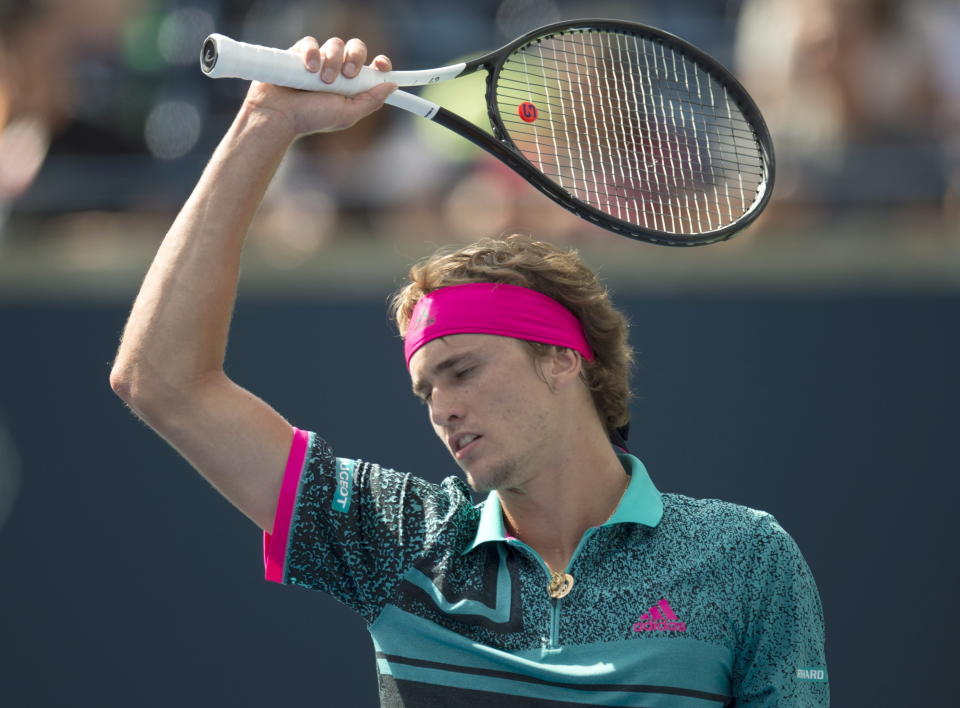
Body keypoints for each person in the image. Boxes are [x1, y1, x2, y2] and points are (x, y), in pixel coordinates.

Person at [110, 36, 829, 707]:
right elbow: (160, 380)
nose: (442, 409)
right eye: (426, 389)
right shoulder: (394, 540)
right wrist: (263, 123)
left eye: (462, 371)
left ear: (560, 358)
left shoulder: (745, 557)